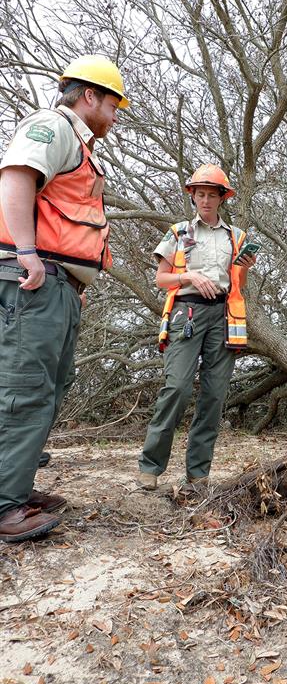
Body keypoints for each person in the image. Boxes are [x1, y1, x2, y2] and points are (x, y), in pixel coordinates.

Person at [0, 55, 128, 542]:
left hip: (59, 289)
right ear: (89, 95)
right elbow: (15, 178)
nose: (116, 116)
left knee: (50, 389)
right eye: (114, 105)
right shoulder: (52, 126)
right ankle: (4, 505)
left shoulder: (81, 145)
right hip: (32, 279)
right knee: (23, 391)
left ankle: (15, 485)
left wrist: (75, 286)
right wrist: (28, 253)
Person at [138, 164, 256, 493]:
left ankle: (198, 474)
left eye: (211, 195)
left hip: (223, 316)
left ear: (222, 198)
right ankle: (150, 466)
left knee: (215, 396)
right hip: (185, 312)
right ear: (192, 196)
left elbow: (237, 285)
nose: (205, 200)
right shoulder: (178, 233)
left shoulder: (236, 237)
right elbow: (161, 279)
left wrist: (244, 268)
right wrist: (189, 276)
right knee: (177, 387)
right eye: (200, 194)